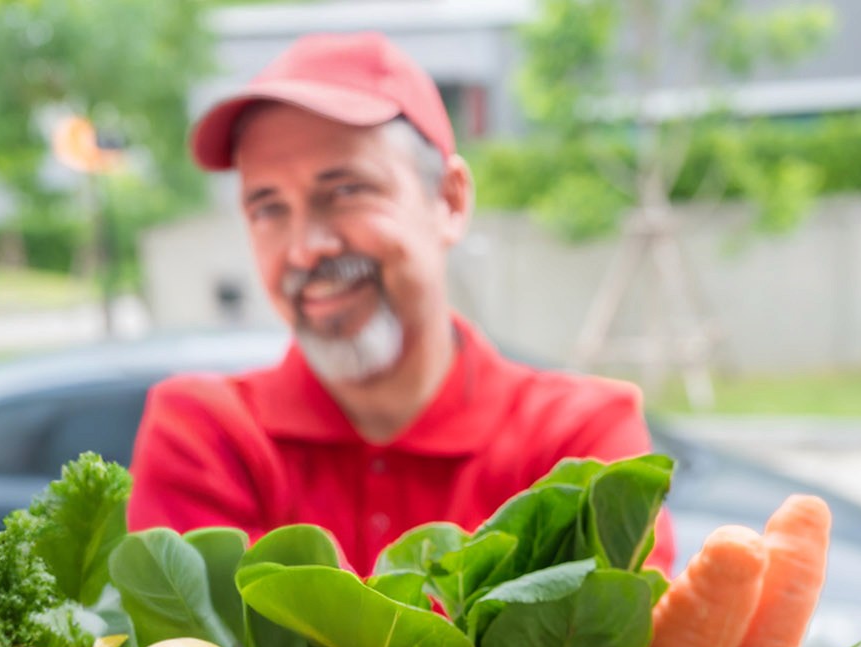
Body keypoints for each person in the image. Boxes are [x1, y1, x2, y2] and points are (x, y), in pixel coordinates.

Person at [128, 31, 675, 575]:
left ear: (450, 200)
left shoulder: (577, 440)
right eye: (268, 208)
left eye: (345, 191)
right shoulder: (207, 436)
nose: (305, 248)